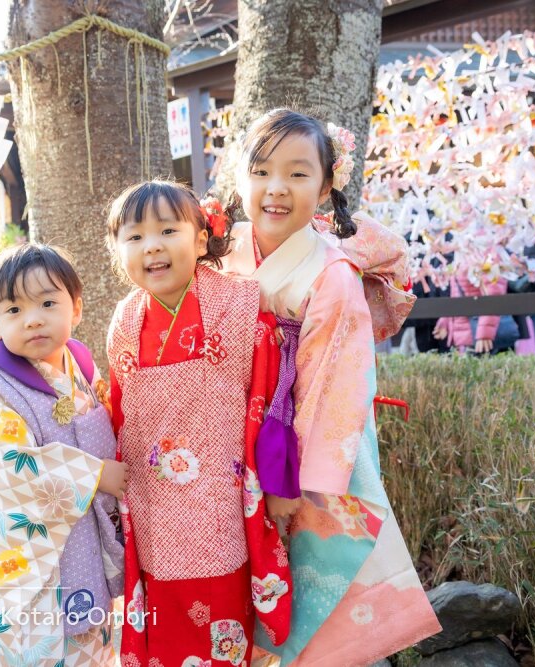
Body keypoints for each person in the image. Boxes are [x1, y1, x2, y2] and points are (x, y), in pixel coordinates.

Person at [219, 109, 440, 666]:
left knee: (310, 598)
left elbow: (331, 392)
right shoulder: (222, 253)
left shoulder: (332, 275)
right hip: (230, 443)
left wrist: (293, 483)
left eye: (297, 173)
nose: (275, 188)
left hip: (300, 450)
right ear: (240, 179)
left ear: (324, 189)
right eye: (261, 170)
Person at [106, 180, 293, 667]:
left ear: (200, 239)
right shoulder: (125, 324)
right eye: (134, 236)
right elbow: (120, 421)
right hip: (154, 513)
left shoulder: (238, 307)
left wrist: (277, 480)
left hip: (223, 505)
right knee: (166, 639)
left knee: (225, 634)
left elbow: (270, 400)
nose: (152, 246)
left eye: (168, 229)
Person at [0, 244, 127, 666]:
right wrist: (92, 475)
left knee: (92, 642)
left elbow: (86, 417)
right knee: (39, 648)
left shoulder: (80, 365)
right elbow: (10, 468)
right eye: (13, 311)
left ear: (77, 308)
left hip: (82, 538)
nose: (33, 319)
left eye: (48, 303)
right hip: (34, 556)